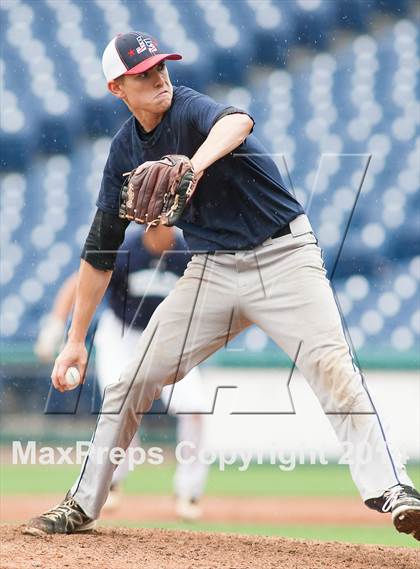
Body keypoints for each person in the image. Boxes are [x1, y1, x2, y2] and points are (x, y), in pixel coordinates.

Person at [25, 31, 420, 540]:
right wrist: (75, 339)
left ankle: (394, 489)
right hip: (212, 269)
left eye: (161, 66)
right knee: (131, 381)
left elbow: (238, 121)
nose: (158, 77)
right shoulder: (124, 152)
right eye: (143, 73)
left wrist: (193, 163)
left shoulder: (188, 109)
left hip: (284, 256)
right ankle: (81, 504)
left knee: (334, 368)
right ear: (117, 87)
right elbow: (100, 248)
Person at [34, 225, 209, 521]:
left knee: (195, 409)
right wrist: (56, 325)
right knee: (119, 403)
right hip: (122, 333)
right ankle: (112, 482)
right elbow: (78, 284)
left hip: (167, 336)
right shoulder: (126, 248)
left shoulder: (187, 252)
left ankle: (189, 492)